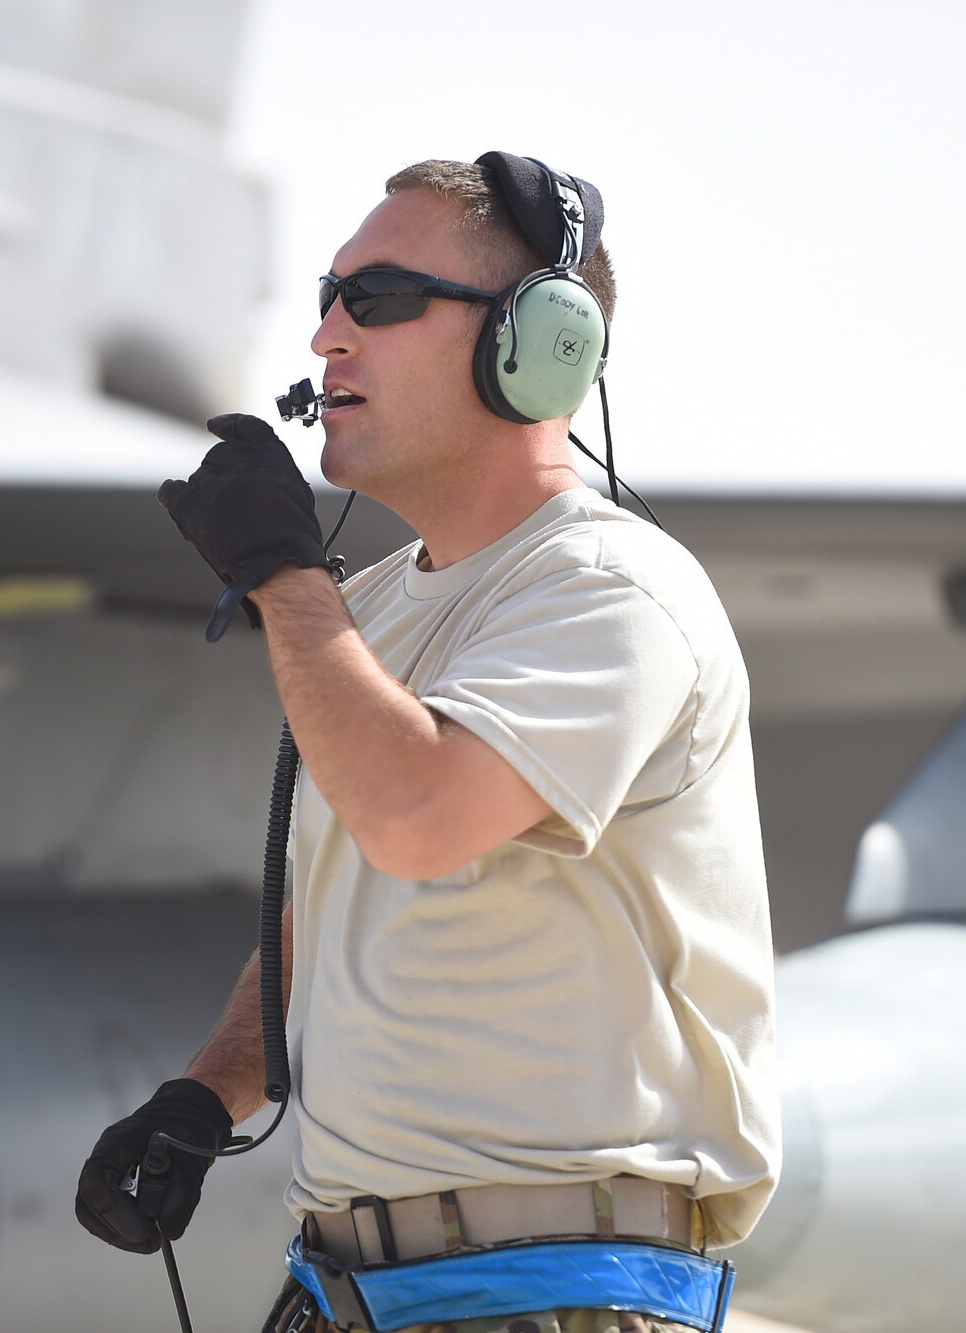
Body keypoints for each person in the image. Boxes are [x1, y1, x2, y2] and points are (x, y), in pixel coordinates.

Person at [77, 153, 780, 1333]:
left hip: (554, 1297)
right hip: (351, 1290)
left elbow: (415, 817)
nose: (326, 339)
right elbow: (335, 899)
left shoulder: (611, 588)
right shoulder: (381, 607)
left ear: (537, 344)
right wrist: (204, 1094)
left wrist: (287, 577)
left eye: (380, 299)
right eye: (326, 296)